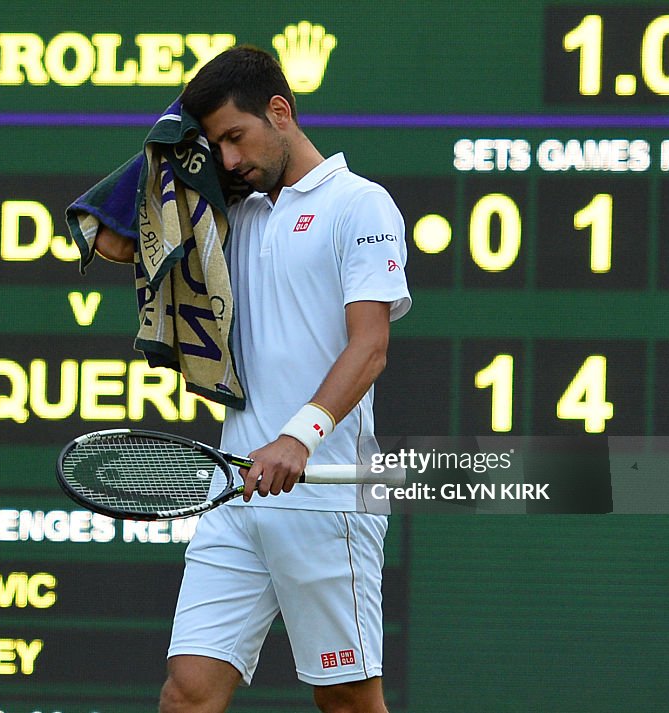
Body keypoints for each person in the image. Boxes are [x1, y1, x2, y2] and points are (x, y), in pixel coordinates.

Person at [92, 46, 410, 713]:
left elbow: (371, 346)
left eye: (236, 137)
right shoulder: (227, 213)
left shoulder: (361, 205)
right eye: (215, 146)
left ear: (280, 111)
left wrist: (299, 435)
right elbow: (112, 243)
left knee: (349, 700)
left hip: (328, 494)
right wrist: (180, 140)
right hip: (234, 490)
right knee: (187, 694)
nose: (229, 159)